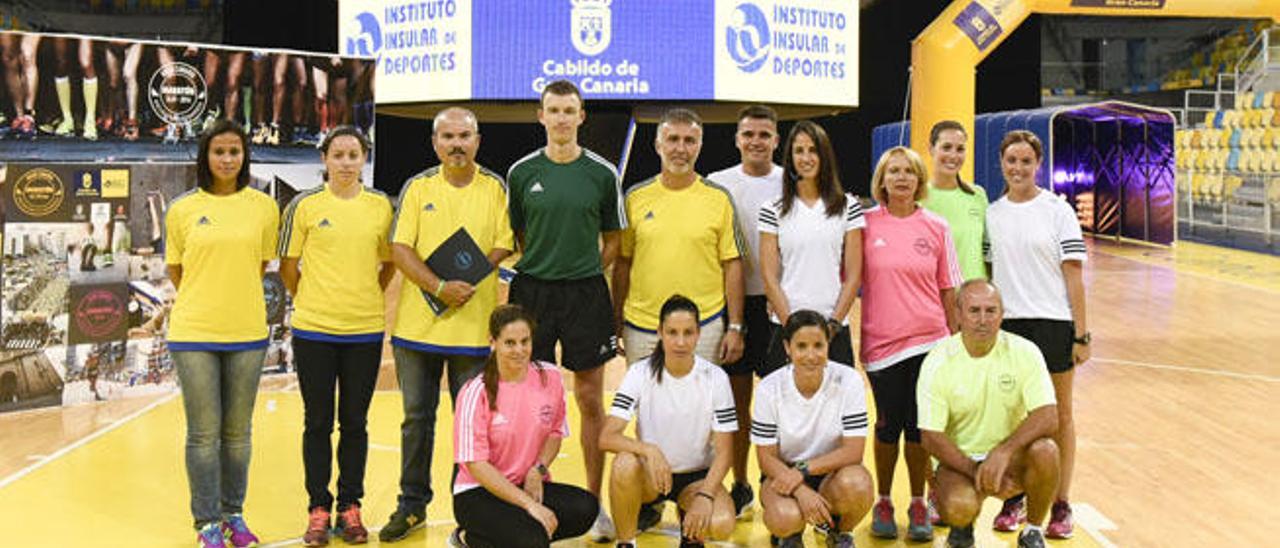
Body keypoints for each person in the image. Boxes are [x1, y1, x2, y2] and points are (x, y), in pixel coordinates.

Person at [379, 107, 515, 542]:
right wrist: (439, 287)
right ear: (435, 142)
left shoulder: (496, 188)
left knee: (473, 427)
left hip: (473, 333)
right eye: (448, 136)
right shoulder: (418, 188)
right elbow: (401, 248)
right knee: (416, 420)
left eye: (464, 136)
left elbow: (502, 245)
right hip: (416, 333)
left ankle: (473, 512)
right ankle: (412, 505)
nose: (457, 144)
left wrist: (467, 280)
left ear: (477, 140)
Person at [505, 79, 624, 540]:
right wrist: (547, 265)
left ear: (581, 116)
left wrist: (583, 268)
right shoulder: (520, 173)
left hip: (585, 294)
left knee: (590, 398)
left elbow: (614, 239)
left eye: (568, 110)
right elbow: (517, 234)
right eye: (552, 110)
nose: (560, 118)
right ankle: (523, 496)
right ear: (541, 117)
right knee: (526, 399)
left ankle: (594, 506)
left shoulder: (601, 173)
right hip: (533, 293)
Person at [164, 120, 280, 548]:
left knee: (237, 434)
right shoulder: (181, 209)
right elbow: (177, 271)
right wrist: (207, 299)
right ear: (205, 157)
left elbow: (261, 265)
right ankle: (207, 523)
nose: (228, 159)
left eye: (235, 151)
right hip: (193, 333)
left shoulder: (264, 207)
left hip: (247, 332)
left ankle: (234, 515)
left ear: (244, 156)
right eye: (219, 151)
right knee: (203, 434)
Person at [278, 126, 394, 546]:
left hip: (363, 331)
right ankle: (318, 508)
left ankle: (349, 506)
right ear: (324, 159)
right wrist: (310, 298)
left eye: (354, 155)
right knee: (317, 423)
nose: (346, 162)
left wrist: (364, 296)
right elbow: (288, 267)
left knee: (355, 424)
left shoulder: (381, 206)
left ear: (364, 159)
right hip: (314, 332)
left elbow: (389, 264)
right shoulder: (303, 206)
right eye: (338, 155)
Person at [984, 130, 1089, 539]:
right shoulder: (993, 214)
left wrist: (1081, 335)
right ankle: (1018, 495)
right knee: (1016, 417)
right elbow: (991, 275)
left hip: (1053, 322)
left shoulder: (1057, 211)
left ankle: (1061, 503)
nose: (1018, 167)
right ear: (1001, 163)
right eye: (1012, 160)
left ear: (1037, 164)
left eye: (1026, 161)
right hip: (1010, 326)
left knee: (1060, 415)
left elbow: (1074, 276)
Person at [860, 146, 961, 542]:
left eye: (909, 172)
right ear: (881, 180)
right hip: (881, 344)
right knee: (888, 425)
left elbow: (948, 288)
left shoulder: (936, 226)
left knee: (920, 429)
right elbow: (848, 278)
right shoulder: (865, 224)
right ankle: (883, 500)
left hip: (929, 343)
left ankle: (919, 502)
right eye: (893, 171)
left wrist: (953, 342)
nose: (901, 178)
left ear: (919, 180)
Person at [918, 280, 1061, 548]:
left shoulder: (1025, 351)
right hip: (959, 462)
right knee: (960, 506)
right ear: (958, 314)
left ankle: (1032, 530)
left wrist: (1004, 452)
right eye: (974, 311)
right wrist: (976, 469)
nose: (982, 320)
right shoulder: (938, 360)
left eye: (990, 311)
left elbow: (1049, 415)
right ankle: (962, 528)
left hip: (1010, 460)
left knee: (1047, 451)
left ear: (1002, 314)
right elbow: (930, 437)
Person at [449, 305, 599, 548]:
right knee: (532, 540)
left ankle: (500, 536)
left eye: (524, 341)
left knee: (586, 508)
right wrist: (529, 505)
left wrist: (537, 470)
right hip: (479, 492)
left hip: (526, 482)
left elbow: (554, 432)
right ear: (493, 342)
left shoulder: (549, 377)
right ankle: (469, 537)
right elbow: (476, 465)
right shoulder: (475, 391)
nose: (519, 350)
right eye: (509, 343)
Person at [600, 295, 738, 548]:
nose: (680, 342)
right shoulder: (639, 373)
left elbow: (725, 453)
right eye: (672, 332)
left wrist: (706, 495)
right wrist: (648, 450)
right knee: (623, 463)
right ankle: (626, 542)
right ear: (660, 333)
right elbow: (607, 437)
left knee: (721, 524)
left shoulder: (715, 378)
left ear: (698, 334)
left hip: (696, 477)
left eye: (688, 333)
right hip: (651, 476)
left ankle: (691, 523)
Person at [612, 108, 745, 368]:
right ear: (658, 145)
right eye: (673, 139)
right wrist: (616, 321)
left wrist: (736, 326)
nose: (680, 148)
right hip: (642, 326)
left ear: (700, 146)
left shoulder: (719, 199)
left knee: (701, 407)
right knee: (647, 407)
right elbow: (623, 263)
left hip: (704, 326)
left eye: (689, 140)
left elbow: (733, 264)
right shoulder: (634, 198)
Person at [705, 104, 782, 517]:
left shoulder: (791, 182)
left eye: (764, 134)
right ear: (737, 139)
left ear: (775, 140)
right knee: (735, 405)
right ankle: (739, 483)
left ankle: (775, 482)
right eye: (748, 134)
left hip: (777, 305)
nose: (756, 141)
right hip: (729, 305)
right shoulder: (718, 184)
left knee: (776, 405)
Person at [752, 310, 874, 548]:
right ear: (787, 347)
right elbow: (766, 458)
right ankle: (790, 534)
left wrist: (803, 471)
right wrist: (799, 487)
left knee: (858, 484)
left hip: (832, 473)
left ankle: (837, 531)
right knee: (784, 518)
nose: (811, 355)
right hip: (783, 475)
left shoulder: (849, 381)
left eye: (818, 345)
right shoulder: (769, 388)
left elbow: (853, 452)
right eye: (801, 346)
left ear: (828, 345)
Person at [759, 120, 863, 375]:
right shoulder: (773, 209)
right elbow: (769, 277)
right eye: (799, 150)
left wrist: (833, 325)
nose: (806, 158)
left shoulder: (848, 206)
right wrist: (792, 327)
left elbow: (854, 275)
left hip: (833, 326)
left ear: (824, 154)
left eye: (813, 150)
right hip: (786, 325)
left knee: (834, 409)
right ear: (790, 156)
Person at [922, 120, 988, 282]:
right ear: (931, 149)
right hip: (935, 299)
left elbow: (987, 250)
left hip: (974, 299)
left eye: (960, 149)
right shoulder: (918, 197)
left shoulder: (978, 194)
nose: (953, 155)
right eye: (946, 147)